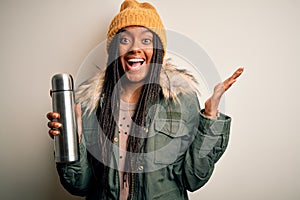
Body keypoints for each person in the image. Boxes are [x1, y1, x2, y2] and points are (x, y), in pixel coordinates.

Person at [47, 0, 244, 199]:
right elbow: (80, 186)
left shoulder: (181, 100)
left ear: (158, 50)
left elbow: (193, 179)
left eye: (146, 41)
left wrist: (210, 117)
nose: (135, 48)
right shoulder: (90, 104)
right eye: (125, 40)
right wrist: (72, 141)